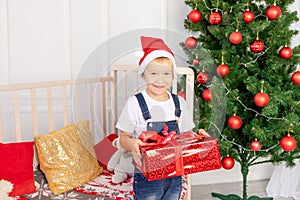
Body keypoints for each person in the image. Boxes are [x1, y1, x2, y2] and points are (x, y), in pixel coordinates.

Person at [116, 36, 201, 200]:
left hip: (175, 173)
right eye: (153, 73)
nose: (160, 80)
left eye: (166, 74)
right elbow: (123, 138)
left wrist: (198, 138)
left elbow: (187, 135)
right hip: (147, 175)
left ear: (172, 76)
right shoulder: (135, 103)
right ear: (143, 75)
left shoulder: (179, 103)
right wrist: (132, 143)